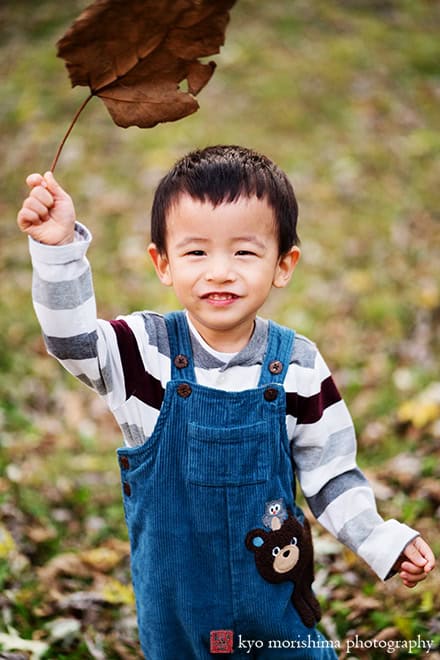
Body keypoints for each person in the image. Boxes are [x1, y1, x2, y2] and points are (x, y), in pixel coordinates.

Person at [17, 146, 434, 659]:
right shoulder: (143, 354)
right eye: (196, 252)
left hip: (272, 609)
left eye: (244, 252)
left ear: (283, 264)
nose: (219, 271)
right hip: (177, 611)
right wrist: (59, 250)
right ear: (162, 262)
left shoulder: (298, 365)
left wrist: (382, 541)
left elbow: (332, 476)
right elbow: (72, 341)